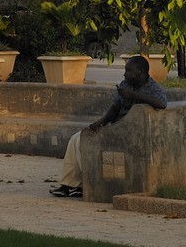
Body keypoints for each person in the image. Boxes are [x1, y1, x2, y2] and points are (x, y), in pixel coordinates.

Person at [49, 54, 167, 198]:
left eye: (128, 70)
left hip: (129, 133)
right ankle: (68, 185)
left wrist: (134, 96)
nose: (125, 73)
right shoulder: (125, 84)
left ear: (140, 72)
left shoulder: (152, 87)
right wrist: (101, 122)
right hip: (115, 127)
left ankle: (82, 184)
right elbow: (115, 107)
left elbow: (162, 103)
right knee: (75, 138)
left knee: (82, 141)